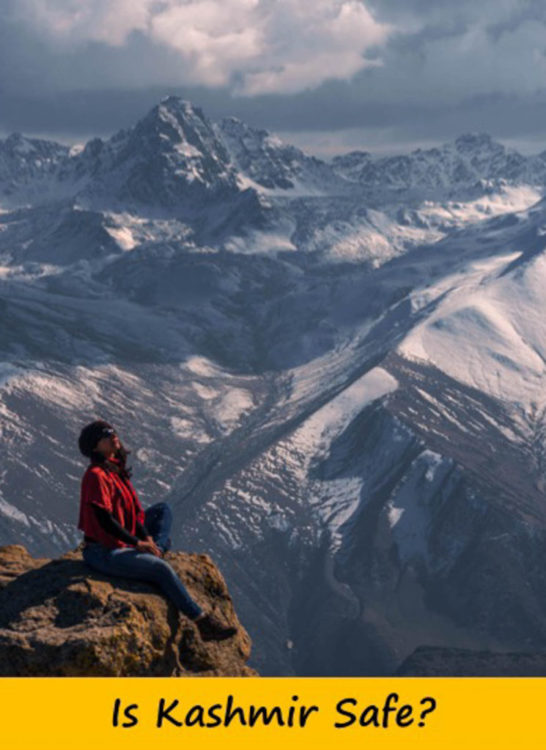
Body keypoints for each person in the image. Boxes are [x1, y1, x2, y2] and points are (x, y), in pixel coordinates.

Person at [77, 419, 236, 642]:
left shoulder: (114, 470)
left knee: (163, 510)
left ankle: (156, 549)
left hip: (123, 540)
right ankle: (201, 621)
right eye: (106, 435)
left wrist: (147, 537)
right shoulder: (96, 475)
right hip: (104, 550)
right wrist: (138, 543)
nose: (113, 436)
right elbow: (105, 520)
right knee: (161, 570)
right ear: (95, 446)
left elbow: (132, 514)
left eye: (113, 431)